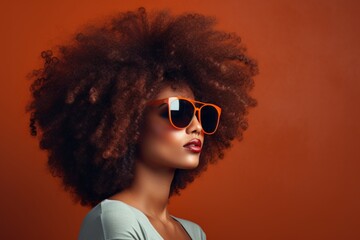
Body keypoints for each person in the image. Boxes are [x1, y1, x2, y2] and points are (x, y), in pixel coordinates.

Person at [27, 7, 258, 240]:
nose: (196, 126)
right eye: (178, 112)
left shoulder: (194, 233)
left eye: (204, 115)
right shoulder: (114, 220)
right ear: (130, 124)